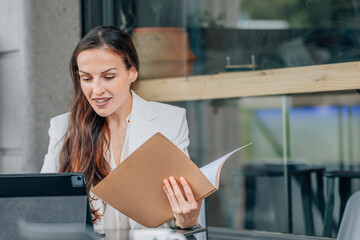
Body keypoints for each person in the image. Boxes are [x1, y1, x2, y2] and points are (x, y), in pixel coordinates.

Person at [41, 25, 201, 230]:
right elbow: (44, 206)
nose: (96, 90)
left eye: (108, 77)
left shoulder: (170, 121)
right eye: (86, 78)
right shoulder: (63, 128)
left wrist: (185, 221)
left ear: (132, 72)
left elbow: (177, 209)